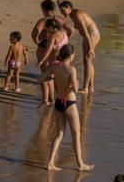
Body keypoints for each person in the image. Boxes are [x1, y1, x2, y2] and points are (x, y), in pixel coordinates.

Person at [45, 44, 94, 172]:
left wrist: (51, 78)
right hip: (69, 103)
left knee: (59, 134)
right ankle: (80, 164)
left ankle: (50, 163)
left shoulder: (54, 66)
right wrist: (76, 83)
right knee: (76, 136)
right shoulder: (71, 69)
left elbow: (41, 79)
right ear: (71, 55)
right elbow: (76, 90)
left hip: (58, 102)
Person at [57, 1, 99, 95]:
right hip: (87, 37)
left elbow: (86, 31)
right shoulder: (72, 14)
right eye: (60, 11)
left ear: (69, 8)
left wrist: (91, 48)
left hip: (92, 35)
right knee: (87, 61)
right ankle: (90, 87)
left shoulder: (77, 14)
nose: (62, 13)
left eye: (63, 10)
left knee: (87, 60)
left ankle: (85, 88)